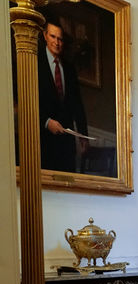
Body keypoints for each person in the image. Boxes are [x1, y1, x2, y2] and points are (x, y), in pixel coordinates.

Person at [38, 20, 88, 172]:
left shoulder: (69, 68)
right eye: (53, 37)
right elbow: (26, 101)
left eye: (60, 39)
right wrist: (46, 122)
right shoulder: (34, 62)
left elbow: (77, 104)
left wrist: (83, 135)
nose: (57, 42)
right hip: (43, 141)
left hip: (67, 143)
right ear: (45, 36)